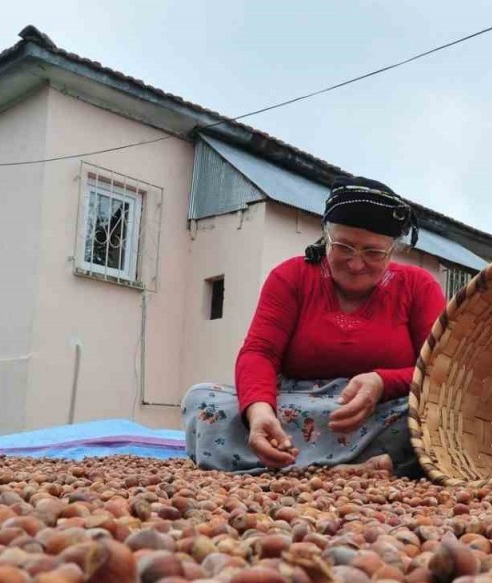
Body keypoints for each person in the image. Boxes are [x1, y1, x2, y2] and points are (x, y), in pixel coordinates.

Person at [181, 176, 448, 477]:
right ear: (326, 238)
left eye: (373, 252)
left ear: (392, 250)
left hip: (380, 409)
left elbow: (438, 371)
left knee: (435, 418)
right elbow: (259, 353)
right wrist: (259, 412)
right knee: (203, 400)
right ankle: (379, 465)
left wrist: (382, 383)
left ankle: (289, 465)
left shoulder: (418, 286)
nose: (356, 264)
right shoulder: (291, 277)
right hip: (295, 403)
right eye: (344, 247)